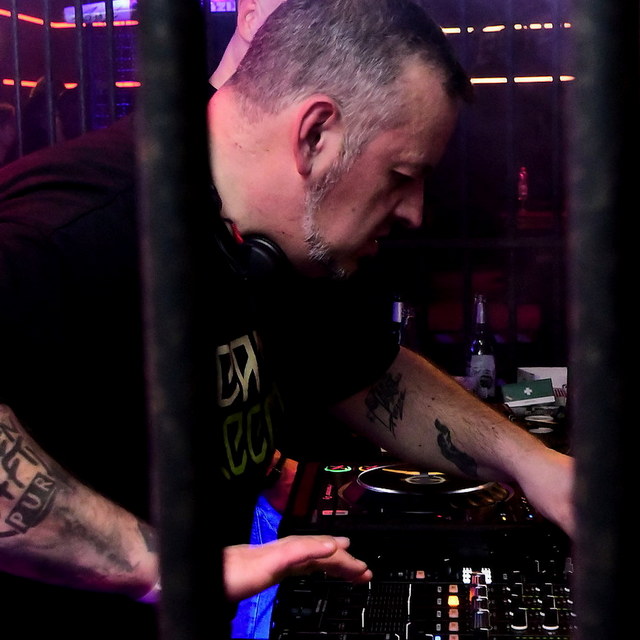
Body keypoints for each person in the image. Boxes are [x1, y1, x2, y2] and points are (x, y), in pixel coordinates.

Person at [0, 0, 574, 638]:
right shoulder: (72, 226)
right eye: (401, 175)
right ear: (315, 134)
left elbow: (373, 378)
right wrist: (159, 566)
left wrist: (538, 466)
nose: (414, 211)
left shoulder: (271, 246)